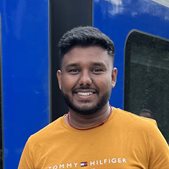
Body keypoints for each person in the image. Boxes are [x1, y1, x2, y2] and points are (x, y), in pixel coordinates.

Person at [18, 26, 169, 169]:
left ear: (113, 77)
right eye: (74, 70)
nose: (85, 80)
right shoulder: (36, 146)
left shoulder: (146, 134)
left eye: (96, 70)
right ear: (60, 79)